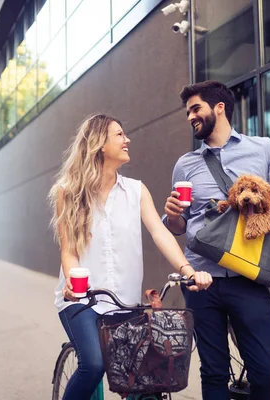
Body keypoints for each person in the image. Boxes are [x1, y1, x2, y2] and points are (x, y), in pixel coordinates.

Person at [162, 81, 270, 400]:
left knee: (267, 374)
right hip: (201, 281)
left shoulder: (263, 149)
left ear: (219, 108)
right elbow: (178, 226)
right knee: (213, 372)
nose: (190, 116)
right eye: (187, 111)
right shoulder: (185, 165)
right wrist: (173, 213)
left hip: (249, 277)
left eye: (196, 108)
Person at [49, 114, 213, 399]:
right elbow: (69, 250)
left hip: (124, 302)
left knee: (147, 373)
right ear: (100, 145)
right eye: (119, 135)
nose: (127, 140)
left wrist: (187, 270)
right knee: (93, 364)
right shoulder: (69, 192)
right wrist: (73, 286)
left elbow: (160, 233)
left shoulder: (136, 190)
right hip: (81, 300)